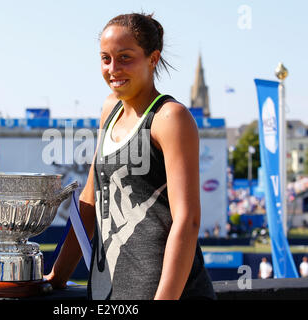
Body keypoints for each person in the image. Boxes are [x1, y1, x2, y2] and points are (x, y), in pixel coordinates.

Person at [45, 12, 216, 300]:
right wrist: (57, 276)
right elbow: (89, 199)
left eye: (125, 57)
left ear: (153, 58)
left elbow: (187, 221)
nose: (113, 69)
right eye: (105, 58)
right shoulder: (110, 109)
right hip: (110, 293)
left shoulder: (170, 118)